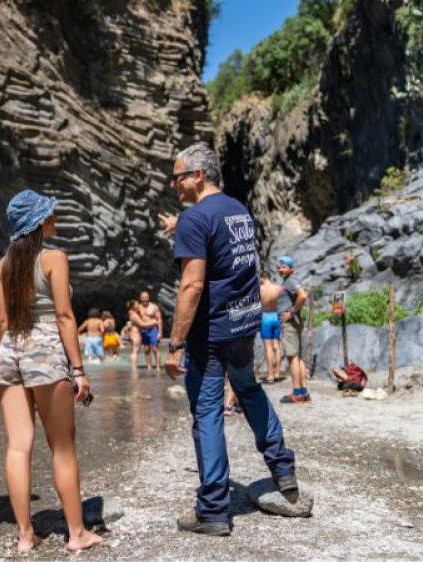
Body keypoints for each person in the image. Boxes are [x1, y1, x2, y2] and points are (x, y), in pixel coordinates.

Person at [163, 143, 299, 536]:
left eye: (178, 177)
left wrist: (174, 344)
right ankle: (282, 469)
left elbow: (191, 286)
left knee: (207, 413)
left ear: (198, 175)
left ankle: (213, 510)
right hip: (244, 324)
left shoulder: (194, 218)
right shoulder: (238, 210)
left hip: (211, 332)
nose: (175, 185)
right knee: (250, 390)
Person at [0, 189, 102, 553]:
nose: (54, 216)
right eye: (49, 213)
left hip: (10, 352)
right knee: (62, 448)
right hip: (45, 352)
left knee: (18, 448)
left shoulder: (3, 264)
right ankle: (76, 534)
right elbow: (65, 316)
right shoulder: (54, 258)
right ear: (39, 222)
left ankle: (25, 536)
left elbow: (3, 321)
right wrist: (79, 369)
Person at [277, 256, 311, 403]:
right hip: (295, 322)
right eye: (280, 266)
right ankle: (303, 392)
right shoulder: (292, 281)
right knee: (298, 357)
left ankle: (297, 393)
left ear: (291, 269)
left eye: (284, 266)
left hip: (290, 323)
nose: (280, 269)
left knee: (292, 357)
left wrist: (291, 312)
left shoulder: (290, 282)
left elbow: (303, 296)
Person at [259, 272, 284, 383]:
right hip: (276, 316)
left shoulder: (259, 289)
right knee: (276, 346)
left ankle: (270, 375)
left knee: (268, 347)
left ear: (263, 277)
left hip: (266, 317)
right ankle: (277, 373)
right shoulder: (278, 288)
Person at [138, 290, 163, 371]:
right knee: (146, 349)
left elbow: (159, 320)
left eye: (146, 297)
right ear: (141, 298)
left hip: (153, 329)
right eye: (143, 297)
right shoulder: (139, 307)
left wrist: (160, 332)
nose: (145, 299)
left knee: (155, 348)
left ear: (149, 298)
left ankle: (158, 366)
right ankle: (149, 366)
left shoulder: (154, 307)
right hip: (144, 331)